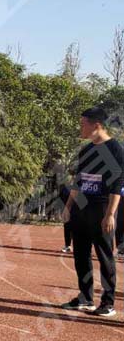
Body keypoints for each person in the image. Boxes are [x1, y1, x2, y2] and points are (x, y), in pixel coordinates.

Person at [61, 106, 124, 317]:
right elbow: (78, 182)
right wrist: (68, 207)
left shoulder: (115, 149)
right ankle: (85, 298)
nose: (80, 128)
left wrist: (110, 214)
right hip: (82, 209)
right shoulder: (86, 150)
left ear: (96, 125)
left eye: (83, 124)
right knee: (81, 254)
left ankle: (108, 302)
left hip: (102, 208)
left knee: (104, 256)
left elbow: (117, 185)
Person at [59, 169, 74, 253]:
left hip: (77, 211)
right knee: (67, 227)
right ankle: (68, 245)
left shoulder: (79, 187)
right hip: (66, 210)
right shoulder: (63, 187)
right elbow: (61, 198)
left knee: (77, 229)